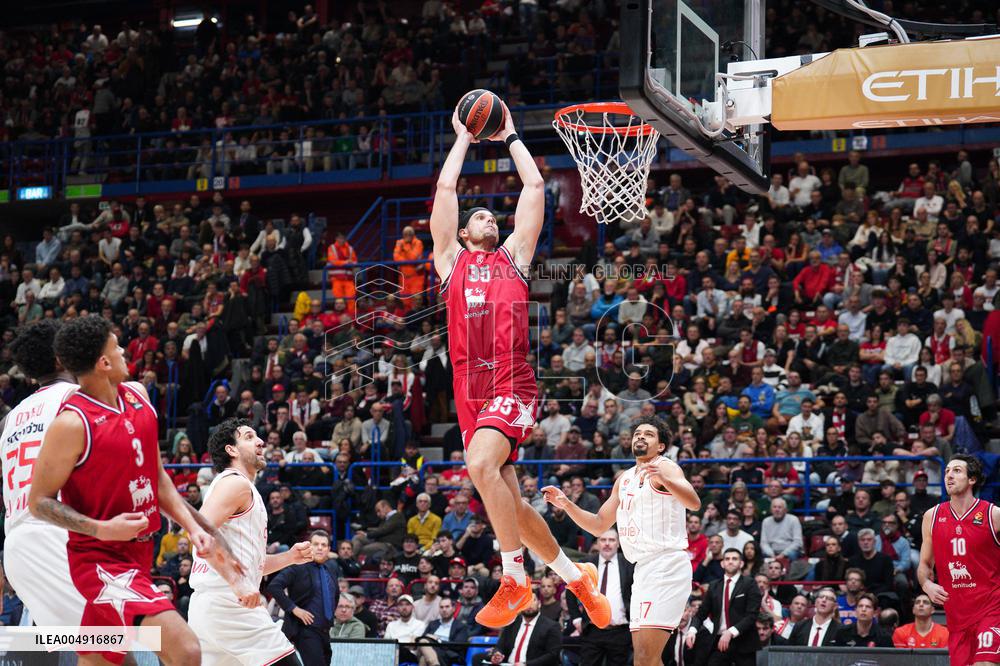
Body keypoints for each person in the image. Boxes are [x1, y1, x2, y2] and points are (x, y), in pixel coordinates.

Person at [430, 98, 608, 628]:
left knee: (481, 467)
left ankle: (514, 579)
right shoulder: (450, 262)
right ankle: (578, 578)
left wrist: (509, 134)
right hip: (469, 389)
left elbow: (533, 189)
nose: (488, 217)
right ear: (464, 233)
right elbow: (444, 191)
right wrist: (463, 135)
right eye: (478, 215)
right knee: (510, 501)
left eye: (491, 214)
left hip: (512, 379)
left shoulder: (515, 257)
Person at [29, 315, 241, 665]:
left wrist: (195, 528)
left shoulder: (139, 397)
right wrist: (102, 528)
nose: (125, 349)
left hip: (141, 554)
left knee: (100, 658)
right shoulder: (71, 424)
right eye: (116, 345)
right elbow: (39, 502)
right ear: (104, 362)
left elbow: (157, 479)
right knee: (185, 649)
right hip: (100, 561)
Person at [545, 417, 701, 666]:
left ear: (661, 446)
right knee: (643, 659)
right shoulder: (624, 479)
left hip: (666, 564)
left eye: (649, 434)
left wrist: (667, 479)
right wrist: (566, 504)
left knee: (645, 658)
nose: (640, 437)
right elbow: (597, 524)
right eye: (638, 433)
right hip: (642, 568)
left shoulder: (666, 467)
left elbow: (694, 502)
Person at [188, 418, 314, 665]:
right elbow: (199, 534)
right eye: (248, 437)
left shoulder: (240, 488)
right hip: (230, 604)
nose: (260, 441)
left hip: (212, 607)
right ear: (231, 450)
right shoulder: (235, 484)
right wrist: (237, 583)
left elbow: (251, 566)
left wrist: (291, 557)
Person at [0, 321, 86, 626]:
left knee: (63, 647)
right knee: (117, 644)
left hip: (18, 546)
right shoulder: (78, 397)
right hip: (59, 534)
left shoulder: (10, 418)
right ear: (62, 358)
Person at [918, 454, 1000, 666]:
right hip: (957, 617)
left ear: (971, 479)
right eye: (946, 472)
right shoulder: (932, 516)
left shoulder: (993, 514)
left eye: (956, 471)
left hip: (992, 607)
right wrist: (927, 584)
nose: (949, 476)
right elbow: (925, 565)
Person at [267, 531, 343, 666]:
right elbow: (274, 586)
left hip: (325, 631)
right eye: (316, 544)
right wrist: (294, 609)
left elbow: (334, 596)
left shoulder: (331, 569)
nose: (320, 547)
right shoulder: (298, 567)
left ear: (329, 549)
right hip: (305, 629)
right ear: (310, 547)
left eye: (323, 545)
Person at [566, 529, 634, 666]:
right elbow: (570, 590)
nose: (607, 544)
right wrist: (576, 618)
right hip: (591, 630)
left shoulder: (629, 564)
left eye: (612, 540)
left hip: (620, 631)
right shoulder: (586, 563)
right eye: (603, 540)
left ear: (619, 543)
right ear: (597, 543)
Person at [686, 548, 762, 666]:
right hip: (720, 640)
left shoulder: (750, 584)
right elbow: (701, 613)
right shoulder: (714, 586)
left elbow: (752, 615)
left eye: (734, 559)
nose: (730, 561)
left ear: (741, 563)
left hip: (744, 641)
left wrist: (730, 632)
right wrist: (691, 631)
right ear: (722, 564)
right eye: (727, 559)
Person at [477, 597, 561, 666]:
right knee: (477, 658)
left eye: (532, 600)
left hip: (531, 664)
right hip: (508, 664)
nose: (529, 605)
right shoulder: (512, 623)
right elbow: (500, 646)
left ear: (539, 604)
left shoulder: (551, 626)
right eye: (525, 602)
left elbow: (552, 655)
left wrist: (526, 664)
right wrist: (498, 654)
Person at [416, 596, 470, 666]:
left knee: (424, 658)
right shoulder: (433, 624)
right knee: (423, 643)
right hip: (431, 650)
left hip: (447, 653)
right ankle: (434, 664)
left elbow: (458, 646)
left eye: (447, 607)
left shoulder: (460, 626)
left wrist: (438, 641)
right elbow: (423, 638)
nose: (444, 610)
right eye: (441, 607)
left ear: (453, 609)